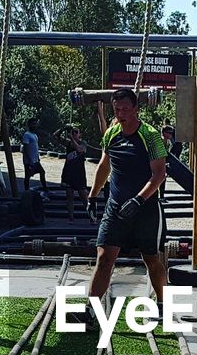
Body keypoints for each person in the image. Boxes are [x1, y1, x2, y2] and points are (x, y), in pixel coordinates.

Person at [86, 88, 168, 310]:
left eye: (125, 109)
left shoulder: (150, 136)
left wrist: (139, 200)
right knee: (104, 259)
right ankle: (90, 310)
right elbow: (104, 167)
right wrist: (92, 196)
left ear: (135, 109)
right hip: (115, 209)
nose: (121, 114)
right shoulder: (111, 135)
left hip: (145, 210)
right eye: (117, 109)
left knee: (151, 259)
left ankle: (161, 304)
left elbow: (159, 174)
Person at [61, 125, 88, 221]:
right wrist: (63, 129)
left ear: (80, 134)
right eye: (73, 132)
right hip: (68, 173)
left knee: (84, 196)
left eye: (76, 132)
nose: (74, 133)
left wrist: (72, 139)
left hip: (79, 174)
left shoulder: (83, 143)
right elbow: (54, 136)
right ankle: (71, 217)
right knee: (69, 195)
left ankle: (92, 217)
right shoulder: (68, 143)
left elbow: (79, 149)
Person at [21, 118, 46, 190]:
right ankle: (26, 190)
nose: (34, 125)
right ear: (29, 125)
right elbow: (25, 148)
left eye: (35, 124)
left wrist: (37, 158)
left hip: (35, 160)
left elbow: (35, 147)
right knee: (27, 176)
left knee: (42, 172)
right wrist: (29, 160)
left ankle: (45, 189)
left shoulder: (34, 135)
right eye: (33, 124)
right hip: (29, 161)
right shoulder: (27, 135)